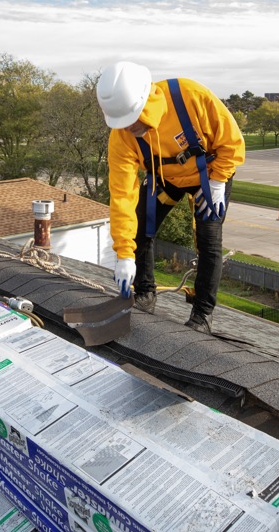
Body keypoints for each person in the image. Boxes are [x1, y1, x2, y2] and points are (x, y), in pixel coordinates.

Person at [96, 61, 245, 334]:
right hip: (166, 179)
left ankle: (202, 316)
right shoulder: (122, 139)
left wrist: (219, 180)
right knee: (140, 228)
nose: (130, 128)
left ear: (145, 100)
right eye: (123, 123)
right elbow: (122, 198)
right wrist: (124, 254)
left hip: (209, 176)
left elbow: (232, 141)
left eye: (133, 119)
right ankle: (145, 293)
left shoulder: (189, 96)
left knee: (209, 241)